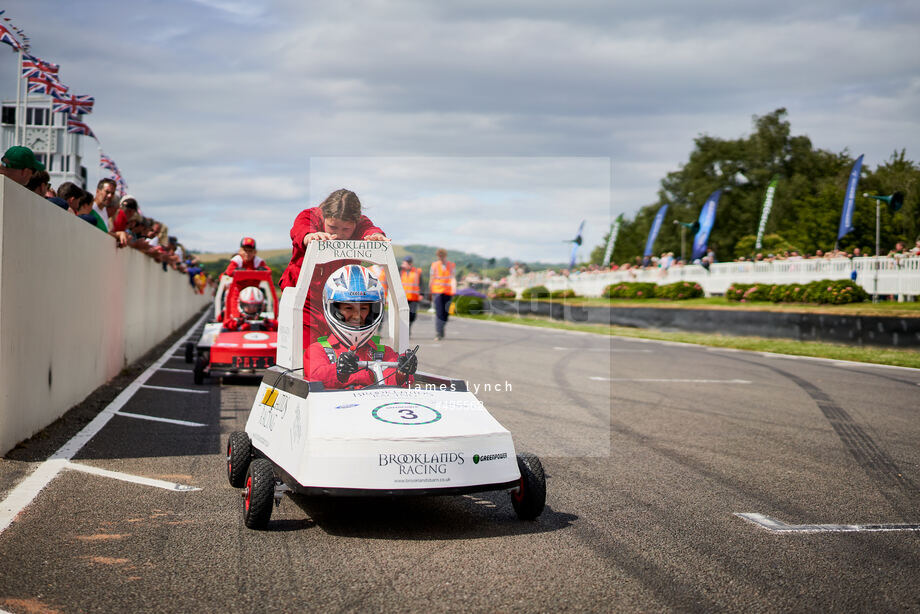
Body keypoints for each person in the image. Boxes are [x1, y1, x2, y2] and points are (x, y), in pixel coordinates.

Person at [278, 189, 389, 364]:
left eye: (346, 229)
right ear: (323, 216)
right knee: (305, 354)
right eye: (332, 227)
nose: (339, 234)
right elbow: (300, 230)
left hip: (340, 305)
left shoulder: (362, 223)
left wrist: (375, 236)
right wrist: (309, 236)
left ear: (355, 222)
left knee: (343, 354)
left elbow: (370, 229)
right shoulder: (309, 216)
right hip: (305, 302)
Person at [307, 264, 416, 389]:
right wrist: (339, 371)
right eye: (348, 308)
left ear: (373, 311)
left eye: (363, 308)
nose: (357, 315)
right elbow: (314, 378)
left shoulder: (384, 352)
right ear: (333, 309)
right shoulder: (319, 350)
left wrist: (402, 372)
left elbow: (397, 383)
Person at [429, 248, 456, 340]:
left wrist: (454, 289)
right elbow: (431, 278)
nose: (441, 258)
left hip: (448, 292)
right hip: (437, 291)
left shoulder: (451, 265)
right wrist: (430, 292)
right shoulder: (434, 265)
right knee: (439, 312)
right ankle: (438, 333)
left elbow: (453, 278)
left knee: (446, 313)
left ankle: (442, 327)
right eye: (439, 256)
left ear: (445, 256)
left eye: (442, 256)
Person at [400, 255, 423, 333]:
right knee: (403, 315)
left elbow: (421, 284)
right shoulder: (400, 272)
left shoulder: (417, 271)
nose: (407, 264)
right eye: (406, 263)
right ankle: (405, 330)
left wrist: (421, 294)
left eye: (408, 263)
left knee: (412, 315)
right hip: (403, 297)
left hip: (414, 297)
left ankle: (409, 328)